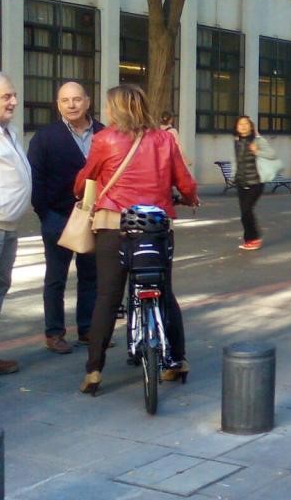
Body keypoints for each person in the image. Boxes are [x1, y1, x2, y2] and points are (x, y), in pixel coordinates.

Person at [74, 84, 198, 395]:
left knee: (107, 296)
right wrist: (189, 198)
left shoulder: (104, 139)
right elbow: (185, 182)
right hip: (155, 226)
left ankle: (94, 371)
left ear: (115, 108)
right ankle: (177, 361)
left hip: (113, 226)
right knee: (164, 292)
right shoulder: (165, 139)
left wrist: (81, 190)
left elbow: (85, 179)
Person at [27, 82, 104, 354]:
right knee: (56, 278)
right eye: (65, 100)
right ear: (58, 105)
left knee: (91, 276)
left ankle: (87, 329)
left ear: (87, 102)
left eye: (76, 99)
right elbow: (35, 179)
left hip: (95, 217)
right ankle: (54, 333)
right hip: (58, 218)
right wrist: (45, 214)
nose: (71, 105)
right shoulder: (45, 138)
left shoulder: (104, 133)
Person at [0, 72, 32, 375]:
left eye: (14, 95)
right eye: (6, 96)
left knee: (1, 287)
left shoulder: (8, 130)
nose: (13, 101)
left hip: (7, 227)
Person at [233, 115, 281, 251]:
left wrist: (258, 151)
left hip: (256, 181)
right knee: (244, 213)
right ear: (236, 127)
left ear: (251, 126)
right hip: (241, 181)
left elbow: (272, 154)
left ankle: (254, 238)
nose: (243, 126)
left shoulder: (258, 140)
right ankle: (249, 239)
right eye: (240, 124)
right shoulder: (236, 141)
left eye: (246, 124)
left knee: (247, 210)